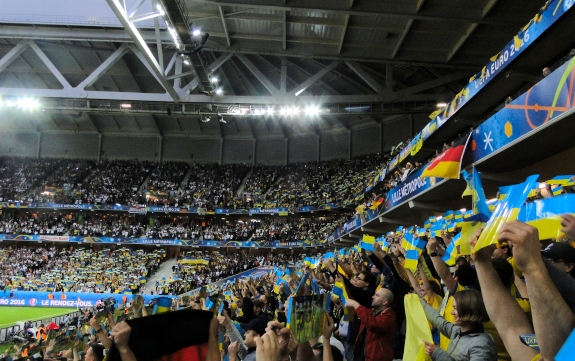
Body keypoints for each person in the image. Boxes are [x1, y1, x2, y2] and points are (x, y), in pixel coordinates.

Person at [421, 289, 497, 361]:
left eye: (455, 308)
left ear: (468, 311)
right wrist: (419, 302)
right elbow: (438, 321)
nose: (452, 312)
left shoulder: (482, 344)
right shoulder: (457, 331)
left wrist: (438, 354)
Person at [345, 288, 396, 361]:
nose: (373, 297)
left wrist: (355, 304)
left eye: (377, 295)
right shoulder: (372, 313)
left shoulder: (389, 317)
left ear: (385, 302)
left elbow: (373, 324)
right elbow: (358, 313)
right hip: (363, 356)